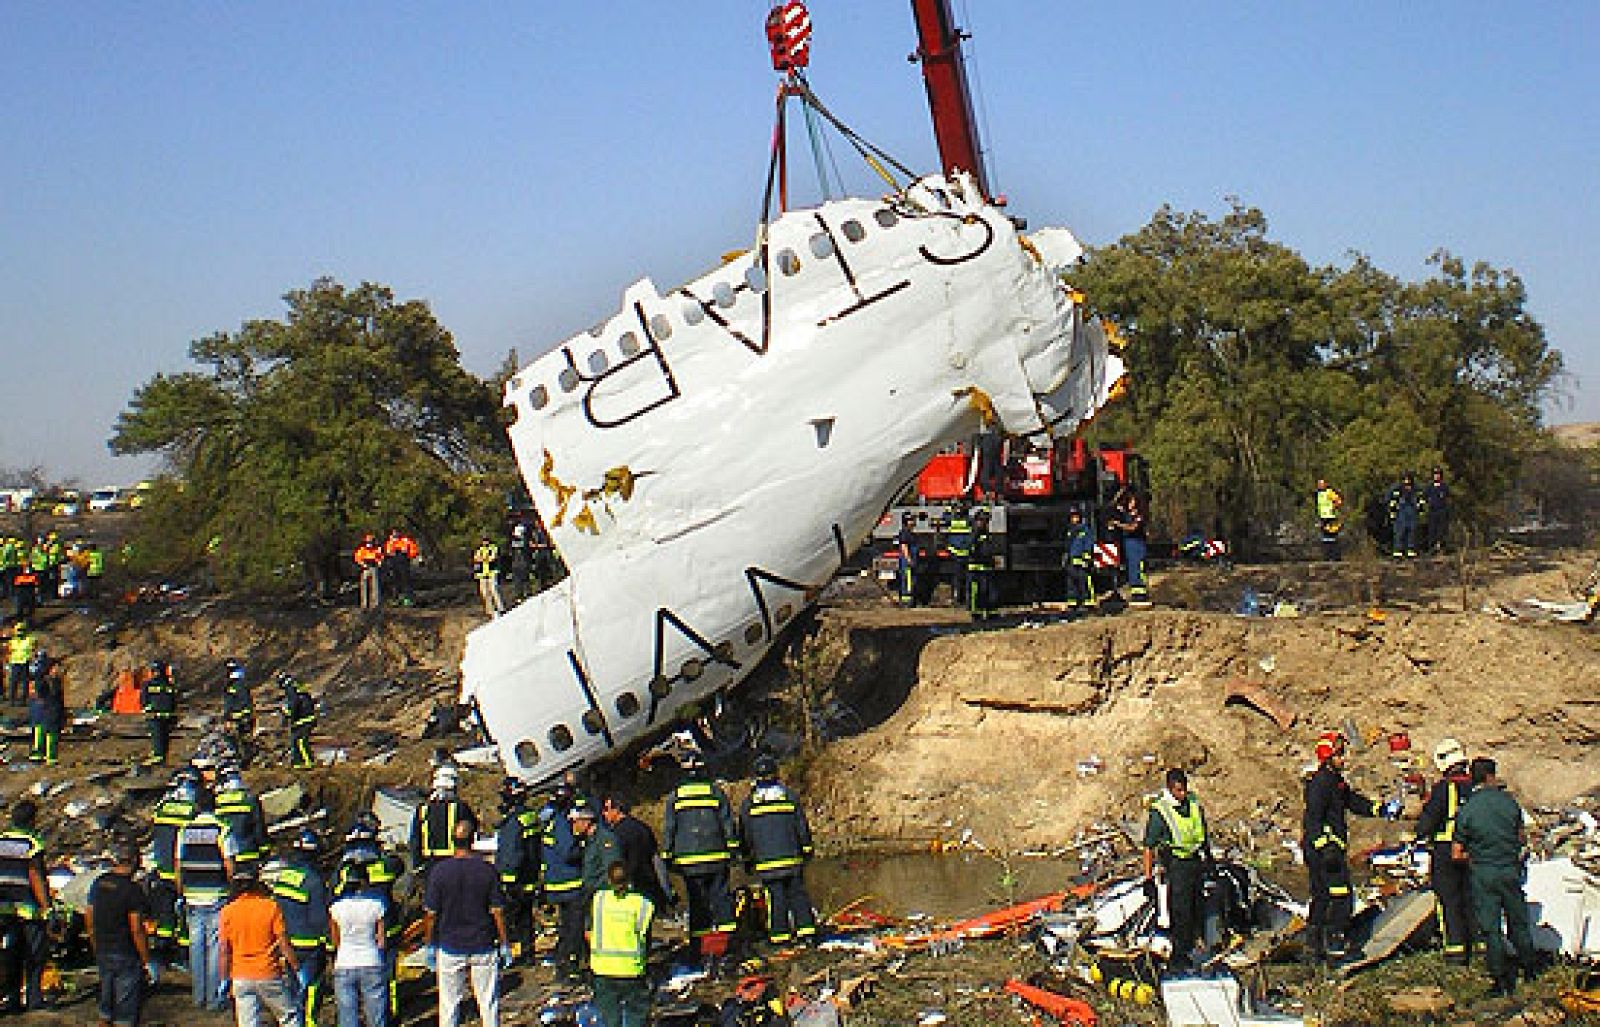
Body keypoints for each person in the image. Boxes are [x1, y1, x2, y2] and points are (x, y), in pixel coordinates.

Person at [1302, 731, 1399, 961]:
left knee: (1323, 897)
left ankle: (1314, 946)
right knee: (1339, 896)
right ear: (1327, 757)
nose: (1343, 760)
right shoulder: (1320, 784)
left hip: (1329, 850)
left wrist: (1380, 809)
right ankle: (1334, 942)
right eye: (1339, 755)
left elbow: (1352, 802)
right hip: (1323, 853)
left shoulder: (1335, 782)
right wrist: (1325, 847)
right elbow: (1313, 820)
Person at [1456, 757, 1537, 997]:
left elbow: (1456, 852)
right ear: (1492, 776)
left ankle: (1500, 980)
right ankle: (1530, 969)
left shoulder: (1468, 808)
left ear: (1473, 778)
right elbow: (1522, 838)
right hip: (1509, 869)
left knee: (1491, 928)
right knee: (1518, 921)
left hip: (1483, 872)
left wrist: (1475, 859)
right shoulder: (1509, 803)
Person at [423, 817, 510, 1027]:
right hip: (483, 943)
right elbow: (497, 911)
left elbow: (431, 914)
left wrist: (429, 944)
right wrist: (504, 942)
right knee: (488, 1003)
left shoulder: (440, 872)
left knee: (449, 1005)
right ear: (474, 840)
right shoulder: (487, 871)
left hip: (450, 945)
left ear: (452, 841)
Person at [661, 759, 739, 972]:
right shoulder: (715, 793)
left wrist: (667, 856)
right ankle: (729, 946)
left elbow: (670, 828)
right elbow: (727, 823)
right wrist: (733, 849)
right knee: (722, 900)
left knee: (697, 904)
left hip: (690, 863)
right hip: (717, 859)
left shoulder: (675, 797)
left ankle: (699, 950)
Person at [739, 755, 819, 947]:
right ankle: (807, 933)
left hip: (767, 863)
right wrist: (807, 850)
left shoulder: (750, 803)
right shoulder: (789, 797)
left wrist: (747, 859)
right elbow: (801, 827)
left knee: (776, 898)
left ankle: (779, 937)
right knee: (798, 896)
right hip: (792, 860)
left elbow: (745, 833)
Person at [1142, 768, 1212, 973]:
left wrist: (1209, 860)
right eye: (1178, 791)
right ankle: (1178, 958)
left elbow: (1202, 832)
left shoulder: (1193, 803)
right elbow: (1149, 846)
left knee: (1198, 907)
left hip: (1195, 862)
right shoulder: (1161, 811)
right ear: (1170, 789)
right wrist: (1148, 879)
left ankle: (1195, 949)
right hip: (1176, 864)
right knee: (1180, 911)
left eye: (1184, 790)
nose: (1182, 795)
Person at [333, 816, 403, 1022]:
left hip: (352, 937)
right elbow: (398, 866)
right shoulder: (384, 864)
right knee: (386, 980)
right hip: (385, 930)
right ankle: (391, 1016)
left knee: (350, 1005)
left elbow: (332, 899)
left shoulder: (343, 871)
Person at [1414, 738, 1474, 965]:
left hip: (1444, 850)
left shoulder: (1443, 789)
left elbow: (1428, 821)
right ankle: (1478, 948)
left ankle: (1455, 953)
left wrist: (1418, 832)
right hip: (1472, 851)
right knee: (1471, 898)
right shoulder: (1475, 786)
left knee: (1449, 901)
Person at [177, 789, 238, 1011]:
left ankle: (198, 996)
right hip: (216, 895)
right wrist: (233, 889)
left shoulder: (185, 830)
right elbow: (229, 864)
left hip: (192, 895)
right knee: (215, 947)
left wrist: (181, 891)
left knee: (196, 946)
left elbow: (178, 864)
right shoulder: (222, 830)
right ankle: (214, 998)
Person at [220, 868, 302, 1026]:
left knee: (247, 1022)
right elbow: (283, 943)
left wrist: (224, 978)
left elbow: (224, 950)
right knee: (288, 1017)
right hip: (268, 973)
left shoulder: (227, 912)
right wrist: (296, 967)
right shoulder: (270, 907)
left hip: (240, 976)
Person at [87, 841, 156, 1027]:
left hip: (103, 949)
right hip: (125, 952)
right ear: (135, 860)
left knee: (106, 1004)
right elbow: (136, 928)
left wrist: (94, 943)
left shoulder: (99, 883)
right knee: (125, 1011)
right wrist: (146, 959)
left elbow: (89, 917)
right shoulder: (132, 890)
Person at [272, 830, 330, 1027]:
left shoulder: (283, 876)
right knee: (312, 985)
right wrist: (329, 944)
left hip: (285, 942)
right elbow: (319, 918)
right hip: (309, 944)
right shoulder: (314, 881)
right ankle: (309, 1022)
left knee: (292, 985)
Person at [0, 800, 52, 1012]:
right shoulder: (32, 843)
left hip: (4, 907)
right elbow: (35, 875)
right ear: (31, 820)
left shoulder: (1, 839)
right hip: (29, 908)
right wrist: (47, 906)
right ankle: (33, 998)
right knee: (34, 955)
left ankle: (12, 999)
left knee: (11, 955)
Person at [588, 862, 654, 1027]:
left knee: (609, 1016)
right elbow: (643, 933)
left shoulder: (599, 900)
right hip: (631, 970)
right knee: (636, 1015)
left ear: (609, 880)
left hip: (603, 969)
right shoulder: (643, 905)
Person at [328, 862, 387, 1027]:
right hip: (371, 960)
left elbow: (335, 940)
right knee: (376, 1016)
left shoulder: (336, 908)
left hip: (345, 962)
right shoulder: (377, 906)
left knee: (347, 1017)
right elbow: (381, 939)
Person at [540, 783, 588, 982]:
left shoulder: (550, 821)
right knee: (573, 929)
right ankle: (569, 967)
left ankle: (566, 963)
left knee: (567, 927)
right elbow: (569, 852)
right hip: (569, 885)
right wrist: (584, 848)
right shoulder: (561, 824)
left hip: (556, 885)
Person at [493, 777, 541, 965]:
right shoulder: (531, 816)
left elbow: (511, 852)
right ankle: (528, 953)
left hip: (515, 881)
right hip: (530, 877)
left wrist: (506, 881)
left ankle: (506, 955)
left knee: (507, 919)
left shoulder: (514, 822)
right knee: (526, 918)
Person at [602, 795, 671, 912]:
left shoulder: (615, 834)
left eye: (606, 809)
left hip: (630, 886)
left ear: (616, 810)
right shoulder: (643, 828)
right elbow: (654, 854)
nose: (604, 813)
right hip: (650, 883)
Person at [410, 765, 474, 881]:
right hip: (455, 863)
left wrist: (417, 865)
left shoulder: (423, 809)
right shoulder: (461, 808)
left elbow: (415, 839)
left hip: (429, 864)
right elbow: (470, 833)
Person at [216, 765, 268, 874]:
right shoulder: (250, 799)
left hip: (226, 857)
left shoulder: (216, 801)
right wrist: (265, 851)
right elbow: (259, 828)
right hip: (249, 855)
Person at [1109, 484, 1152, 607]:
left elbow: (1132, 528)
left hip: (1137, 545)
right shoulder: (1127, 514)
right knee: (1132, 570)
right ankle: (1136, 593)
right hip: (1129, 545)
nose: (1129, 503)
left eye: (1132, 500)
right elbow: (1115, 504)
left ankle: (1141, 594)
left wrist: (1118, 524)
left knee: (1138, 569)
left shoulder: (1139, 515)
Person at [965, 508, 1000, 620]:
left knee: (989, 590)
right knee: (978, 591)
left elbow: (987, 548)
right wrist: (980, 557)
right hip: (977, 568)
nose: (985, 523)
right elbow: (970, 548)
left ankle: (990, 612)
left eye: (986, 521)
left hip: (985, 566)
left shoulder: (984, 532)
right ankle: (977, 613)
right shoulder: (975, 532)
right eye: (984, 520)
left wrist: (991, 559)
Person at [27, 658, 63, 764]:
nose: (57, 670)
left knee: (46, 732)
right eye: (55, 668)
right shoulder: (46, 681)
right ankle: (46, 756)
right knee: (49, 733)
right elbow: (49, 696)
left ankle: (44, 755)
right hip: (48, 710)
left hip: (49, 710)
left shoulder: (52, 681)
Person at [279, 673, 319, 770]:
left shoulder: (290, 689)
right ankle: (298, 763)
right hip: (306, 719)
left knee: (300, 741)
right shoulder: (298, 688)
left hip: (303, 720)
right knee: (296, 742)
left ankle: (308, 762)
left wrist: (287, 713)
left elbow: (294, 703)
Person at [142, 659, 178, 765]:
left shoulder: (168, 685)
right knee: (157, 735)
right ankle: (158, 754)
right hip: (155, 716)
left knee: (162, 736)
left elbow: (173, 700)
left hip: (164, 716)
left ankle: (160, 756)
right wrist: (148, 710)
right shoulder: (149, 684)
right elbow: (144, 700)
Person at [1062, 506, 1097, 614]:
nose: (1074, 519)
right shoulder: (1070, 531)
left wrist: (1086, 559)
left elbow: (1088, 544)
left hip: (1082, 563)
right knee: (1071, 583)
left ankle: (1089, 603)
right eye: (1072, 517)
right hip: (1072, 562)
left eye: (1076, 516)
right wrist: (1066, 557)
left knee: (1085, 582)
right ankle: (1072, 603)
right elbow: (1068, 546)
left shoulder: (1085, 530)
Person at [223, 659, 257, 766]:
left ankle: (244, 760)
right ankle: (241, 759)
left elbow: (245, 703)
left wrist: (245, 717)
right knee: (236, 739)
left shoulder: (239, 686)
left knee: (243, 740)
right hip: (236, 718)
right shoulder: (232, 686)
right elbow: (229, 704)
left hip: (240, 719)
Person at [1388, 473, 1421, 559]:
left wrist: (1420, 511)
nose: (1407, 482)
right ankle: (1398, 551)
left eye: (1408, 479)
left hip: (1412, 513)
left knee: (1411, 531)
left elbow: (1420, 501)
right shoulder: (1397, 489)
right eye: (1405, 480)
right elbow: (1392, 501)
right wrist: (1392, 513)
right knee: (1400, 532)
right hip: (1401, 513)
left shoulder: (1415, 490)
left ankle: (1410, 550)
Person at [381, 530, 418, 607]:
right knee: (395, 582)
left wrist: (408, 555)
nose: (395, 533)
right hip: (393, 563)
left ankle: (408, 599)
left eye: (397, 532)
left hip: (404, 563)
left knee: (406, 581)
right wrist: (391, 551)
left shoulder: (406, 540)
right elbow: (386, 552)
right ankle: (395, 599)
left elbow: (414, 550)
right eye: (393, 532)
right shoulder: (389, 542)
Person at [473, 536, 504, 618]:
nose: (485, 542)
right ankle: (490, 611)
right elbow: (476, 558)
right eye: (483, 541)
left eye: (486, 540)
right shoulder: (479, 550)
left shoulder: (493, 548)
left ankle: (500, 608)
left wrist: (483, 559)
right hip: (482, 574)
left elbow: (491, 558)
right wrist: (483, 559)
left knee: (494, 590)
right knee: (484, 593)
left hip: (491, 572)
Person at [1314, 479, 1343, 561]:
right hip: (1323, 518)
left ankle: (1335, 557)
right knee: (1325, 538)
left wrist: (1333, 508)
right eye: (1319, 484)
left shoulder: (1329, 492)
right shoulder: (1318, 494)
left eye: (1322, 484)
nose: (1320, 486)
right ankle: (1327, 556)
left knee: (1332, 536)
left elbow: (1338, 501)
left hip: (1331, 517)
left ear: (1325, 484)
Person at [5, 623, 35, 703]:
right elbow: (9, 651)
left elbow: (33, 650)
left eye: (21, 630)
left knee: (24, 682)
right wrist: (8, 662)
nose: (19, 632)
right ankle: (12, 699)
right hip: (15, 662)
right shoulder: (13, 640)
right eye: (18, 630)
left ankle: (23, 699)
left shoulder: (30, 639)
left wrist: (31, 660)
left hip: (24, 662)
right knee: (14, 682)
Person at [353, 535, 384, 611]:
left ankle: (376, 604)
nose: (369, 543)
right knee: (364, 586)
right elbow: (357, 558)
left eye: (371, 542)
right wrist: (363, 564)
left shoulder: (377, 549)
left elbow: (380, 557)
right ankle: (364, 604)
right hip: (365, 568)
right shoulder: (361, 550)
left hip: (374, 567)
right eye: (368, 542)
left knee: (375, 585)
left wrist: (379, 562)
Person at [894, 513, 919, 607]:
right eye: (911, 520)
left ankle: (909, 600)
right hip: (907, 561)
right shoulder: (905, 533)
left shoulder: (910, 533)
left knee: (911, 580)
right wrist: (908, 559)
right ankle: (906, 601)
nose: (913, 522)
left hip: (911, 560)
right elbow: (904, 546)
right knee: (907, 581)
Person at [1424, 468, 1450, 554]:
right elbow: (1424, 498)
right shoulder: (1429, 487)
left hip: (1442, 511)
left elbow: (1448, 498)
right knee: (1432, 530)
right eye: (1435, 474)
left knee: (1442, 530)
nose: (1437, 476)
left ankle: (1442, 548)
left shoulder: (1444, 487)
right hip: (1432, 511)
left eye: (1438, 474)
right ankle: (1431, 548)